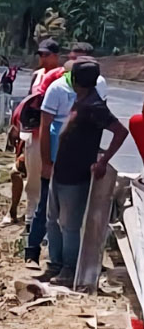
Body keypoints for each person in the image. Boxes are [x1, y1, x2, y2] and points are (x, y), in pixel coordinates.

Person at [36, 59, 128, 286]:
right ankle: (54, 265)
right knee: (52, 221)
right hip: (61, 169)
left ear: (76, 80)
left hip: (76, 175)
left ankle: (69, 269)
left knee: (69, 224)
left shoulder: (94, 105)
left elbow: (120, 131)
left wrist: (103, 161)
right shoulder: (82, 100)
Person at [26, 44, 109, 266]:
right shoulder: (58, 88)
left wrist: (101, 158)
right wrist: (46, 161)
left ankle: (70, 264)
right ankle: (34, 252)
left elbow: (105, 126)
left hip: (79, 163)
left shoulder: (94, 93)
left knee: (72, 217)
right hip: (55, 160)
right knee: (48, 210)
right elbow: (46, 127)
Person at [5, 39, 62, 229]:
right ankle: (31, 216)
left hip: (51, 134)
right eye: (40, 54)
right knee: (31, 177)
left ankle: (43, 218)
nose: (43, 58)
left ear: (56, 56)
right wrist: (16, 127)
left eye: (47, 55)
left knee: (47, 177)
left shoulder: (61, 76)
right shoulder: (37, 75)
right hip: (32, 134)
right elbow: (28, 102)